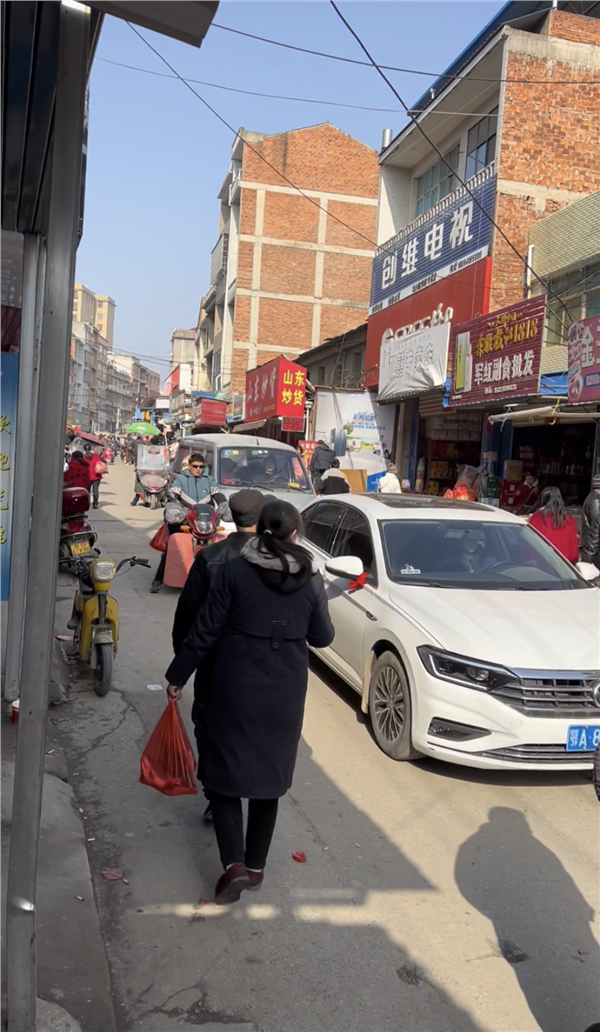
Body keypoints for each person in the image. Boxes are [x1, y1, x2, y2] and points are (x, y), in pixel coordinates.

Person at [165, 500, 334, 905]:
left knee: (223, 774)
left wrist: (177, 676)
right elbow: (322, 636)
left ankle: (234, 865)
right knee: (268, 779)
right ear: (295, 534)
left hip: (234, 684)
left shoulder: (235, 571)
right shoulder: (310, 577)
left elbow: (205, 630)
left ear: (260, 530)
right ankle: (255, 868)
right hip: (284, 691)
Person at [172, 488, 267, 821]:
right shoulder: (278, 560)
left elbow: (187, 613)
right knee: (250, 726)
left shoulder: (211, 557)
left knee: (209, 724)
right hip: (261, 663)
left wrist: (183, 660)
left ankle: (218, 791)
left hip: (213, 658)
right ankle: (245, 786)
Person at [528, 487, 579, 564]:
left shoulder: (538, 518)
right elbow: (573, 553)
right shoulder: (569, 519)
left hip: (542, 563)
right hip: (564, 565)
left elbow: (530, 544)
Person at [581, 473, 600, 568]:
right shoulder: (596, 502)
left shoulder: (592, 498)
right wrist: (590, 554)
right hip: (594, 553)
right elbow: (596, 528)